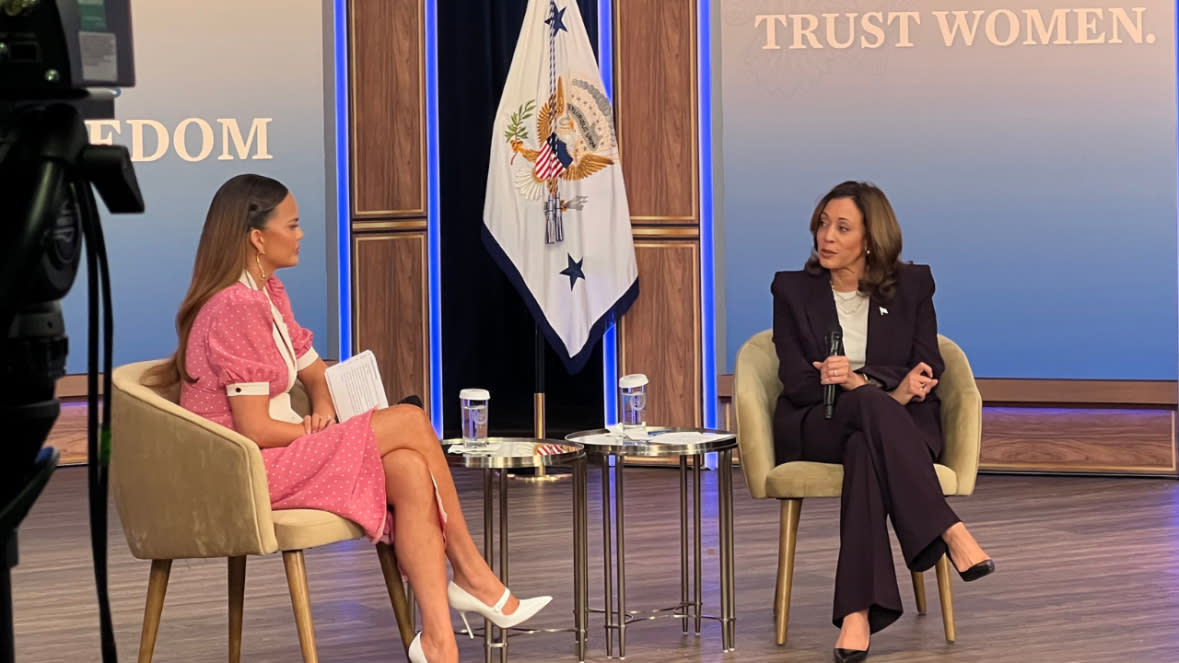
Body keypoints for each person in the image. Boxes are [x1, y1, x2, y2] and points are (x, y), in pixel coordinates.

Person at [145, 173, 550, 663]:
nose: (300, 235)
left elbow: (316, 374)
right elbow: (251, 430)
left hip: (279, 453)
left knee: (409, 467)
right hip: (244, 470)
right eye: (291, 226)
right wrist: (316, 431)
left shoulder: (269, 294)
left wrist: (320, 409)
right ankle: (470, 571)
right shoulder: (235, 305)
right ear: (257, 237)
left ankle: (440, 643)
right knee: (409, 422)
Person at [770, 181, 995, 663]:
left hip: (888, 426)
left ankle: (857, 614)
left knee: (865, 448)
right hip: (818, 422)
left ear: (870, 240)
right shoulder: (791, 289)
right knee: (866, 414)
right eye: (823, 223)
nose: (826, 236)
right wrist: (865, 390)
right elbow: (795, 381)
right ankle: (946, 528)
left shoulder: (913, 285)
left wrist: (868, 382)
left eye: (842, 227)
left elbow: (928, 361)